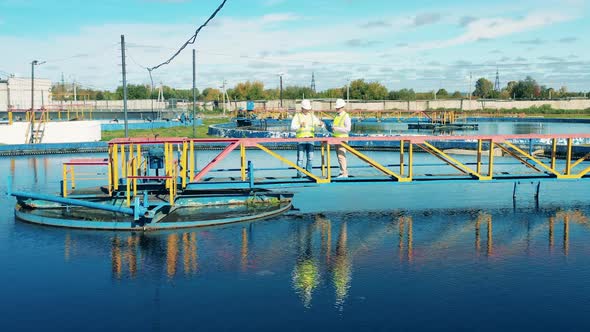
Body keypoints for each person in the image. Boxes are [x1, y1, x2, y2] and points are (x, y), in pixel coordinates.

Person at [291, 99, 325, 177]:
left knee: (310, 158)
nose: (307, 110)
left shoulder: (312, 116)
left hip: (310, 140)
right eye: (306, 109)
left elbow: (319, 124)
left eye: (308, 109)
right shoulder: (297, 116)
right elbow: (292, 127)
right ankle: (299, 174)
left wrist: (321, 124)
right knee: (300, 159)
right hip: (301, 140)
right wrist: (299, 125)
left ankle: (309, 174)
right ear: (302, 108)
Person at [332, 98, 351, 178]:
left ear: (342, 107)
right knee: (339, 156)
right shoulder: (336, 116)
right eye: (336, 107)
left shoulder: (346, 116)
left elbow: (348, 129)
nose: (337, 109)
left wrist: (337, 129)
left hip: (343, 139)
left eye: (338, 108)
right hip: (336, 138)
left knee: (341, 156)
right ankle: (342, 171)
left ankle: (344, 173)